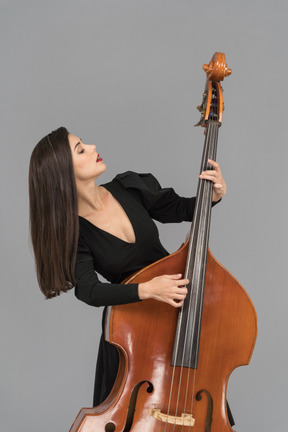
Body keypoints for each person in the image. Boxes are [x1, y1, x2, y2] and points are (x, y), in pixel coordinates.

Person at [29, 126, 231, 422]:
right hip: (131, 329)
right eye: (80, 149)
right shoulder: (75, 232)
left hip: (175, 311)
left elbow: (182, 209)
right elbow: (89, 290)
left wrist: (213, 196)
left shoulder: (128, 187)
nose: (93, 146)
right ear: (62, 173)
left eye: (85, 143)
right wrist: (147, 290)